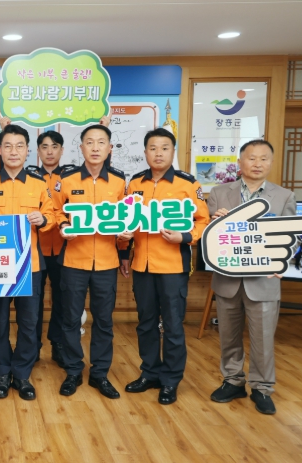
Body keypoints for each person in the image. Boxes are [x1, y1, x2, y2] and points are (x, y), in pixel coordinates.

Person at [0, 114, 111, 366]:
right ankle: (34, 347)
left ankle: (58, 344)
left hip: (63, 249)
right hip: (34, 250)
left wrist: (103, 128)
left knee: (62, 302)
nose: (49, 152)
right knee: (33, 305)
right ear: (36, 151)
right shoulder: (29, 175)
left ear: (62, 150)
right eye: (44, 147)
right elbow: (3, 174)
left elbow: (102, 173)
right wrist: (6, 129)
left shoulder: (70, 175)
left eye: (54, 147)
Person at [119, 128, 209, 405]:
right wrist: (124, 246)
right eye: (153, 148)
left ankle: (170, 380)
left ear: (173, 152)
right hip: (142, 266)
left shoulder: (187, 184)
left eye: (164, 148)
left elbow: (203, 222)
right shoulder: (135, 183)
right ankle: (150, 373)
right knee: (145, 323)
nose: (158, 153)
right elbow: (126, 219)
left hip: (172, 267)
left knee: (172, 325)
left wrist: (185, 237)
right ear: (145, 152)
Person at [207, 139, 296, 415]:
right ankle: (232, 381)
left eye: (264, 158)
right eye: (252, 158)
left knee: (263, 339)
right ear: (240, 162)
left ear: (271, 162)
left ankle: (262, 388)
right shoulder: (219, 193)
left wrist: (283, 260)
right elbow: (208, 237)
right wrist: (215, 222)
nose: (258, 164)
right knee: (228, 336)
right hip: (228, 279)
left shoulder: (284, 196)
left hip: (264, 280)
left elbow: (291, 238)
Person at [0, 124, 55, 400]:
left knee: (29, 323)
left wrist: (43, 219)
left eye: (19, 146)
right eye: (7, 145)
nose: (13, 151)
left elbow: (51, 216)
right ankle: (2, 373)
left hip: (30, 267)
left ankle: (22, 374)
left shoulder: (39, 184)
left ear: (27, 151)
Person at [53, 125, 127, 399]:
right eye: (90, 142)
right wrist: (63, 226)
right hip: (74, 260)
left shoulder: (119, 181)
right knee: (71, 319)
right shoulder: (67, 179)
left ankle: (100, 374)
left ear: (109, 148)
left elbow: (127, 216)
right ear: (81, 147)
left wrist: (125, 242)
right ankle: (73, 370)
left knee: (104, 320)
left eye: (101, 142)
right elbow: (56, 210)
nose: (95, 148)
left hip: (106, 262)